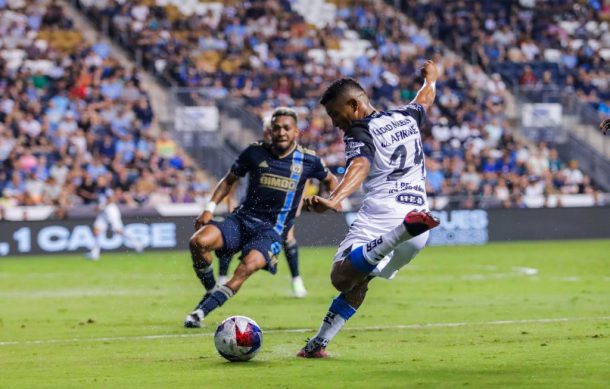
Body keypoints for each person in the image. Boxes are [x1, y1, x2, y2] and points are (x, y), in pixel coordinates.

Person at [297, 60, 441, 358]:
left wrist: (335, 200)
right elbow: (424, 98)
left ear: (354, 104)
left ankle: (397, 234)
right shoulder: (405, 117)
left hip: (385, 218)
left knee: (341, 277)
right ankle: (319, 344)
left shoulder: (360, 130)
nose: (335, 123)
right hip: (418, 224)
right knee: (361, 279)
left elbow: (359, 166)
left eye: (336, 114)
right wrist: (432, 80)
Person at [184, 107, 338, 328]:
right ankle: (211, 291)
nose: (282, 132)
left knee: (247, 266)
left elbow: (331, 181)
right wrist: (209, 208)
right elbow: (229, 180)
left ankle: (200, 312)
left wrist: (331, 201)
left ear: (296, 132)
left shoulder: (308, 160)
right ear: (270, 131)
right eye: (277, 128)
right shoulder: (254, 152)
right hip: (242, 220)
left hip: (272, 231)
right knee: (198, 242)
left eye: (287, 128)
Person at [217, 118, 310, 298]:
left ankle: (297, 281)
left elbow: (303, 180)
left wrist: (298, 203)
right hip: (253, 208)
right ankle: (222, 279)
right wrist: (230, 201)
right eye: (271, 130)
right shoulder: (256, 152)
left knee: (289, 238)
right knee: (232, 236)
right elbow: (233, 177)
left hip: (280, 210)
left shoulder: (294, 154)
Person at [86, 177, 143, 260]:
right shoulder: (98, 189)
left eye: (100, 180)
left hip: (110, 210)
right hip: (104, 211)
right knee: (96, 229)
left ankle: (136, 243)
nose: (99, 181)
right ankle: (95, 253)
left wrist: (101, 206)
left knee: (118, 230)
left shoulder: (107, 189)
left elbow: (112, 199)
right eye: (98, 180)